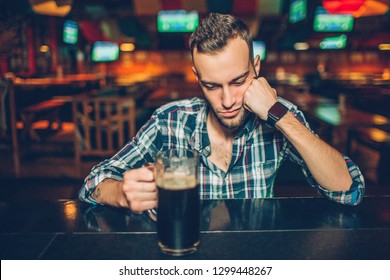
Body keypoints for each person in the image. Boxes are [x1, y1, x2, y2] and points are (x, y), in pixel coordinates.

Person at [79, 13, 365, 212]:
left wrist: (280, 115)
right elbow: (92, 184)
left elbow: (349, 191)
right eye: (212, 85)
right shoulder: (170, 121)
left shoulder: (279, 116)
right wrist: (122, 194)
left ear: (256, 67)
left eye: (239, 81)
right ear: (197, 77)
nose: (227, 100)